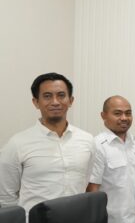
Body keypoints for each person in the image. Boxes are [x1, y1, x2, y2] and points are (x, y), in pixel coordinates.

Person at [0, 73, 93, 215]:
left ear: (71, 100)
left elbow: (85, 182)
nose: (55, 102)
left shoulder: (87, 140)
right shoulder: (17, 144)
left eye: (61, 95)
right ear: (36, 102)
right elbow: (6, 196)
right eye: (47, 96)